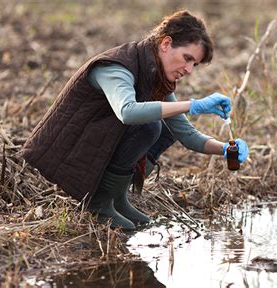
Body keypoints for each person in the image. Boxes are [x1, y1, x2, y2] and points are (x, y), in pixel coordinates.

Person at [22, 10, 249, 231]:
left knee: (165, 124)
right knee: (149, 125)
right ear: (166, 44)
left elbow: (186, 135)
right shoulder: (117, 67)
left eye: (194, 64)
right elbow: (128, 112)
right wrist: (193, 105)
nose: (189, 69)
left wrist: (227, 150)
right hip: (67, 152)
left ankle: (117, 200)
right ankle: (98, 203)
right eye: (187, 59)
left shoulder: (155, 75)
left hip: (94, 148)